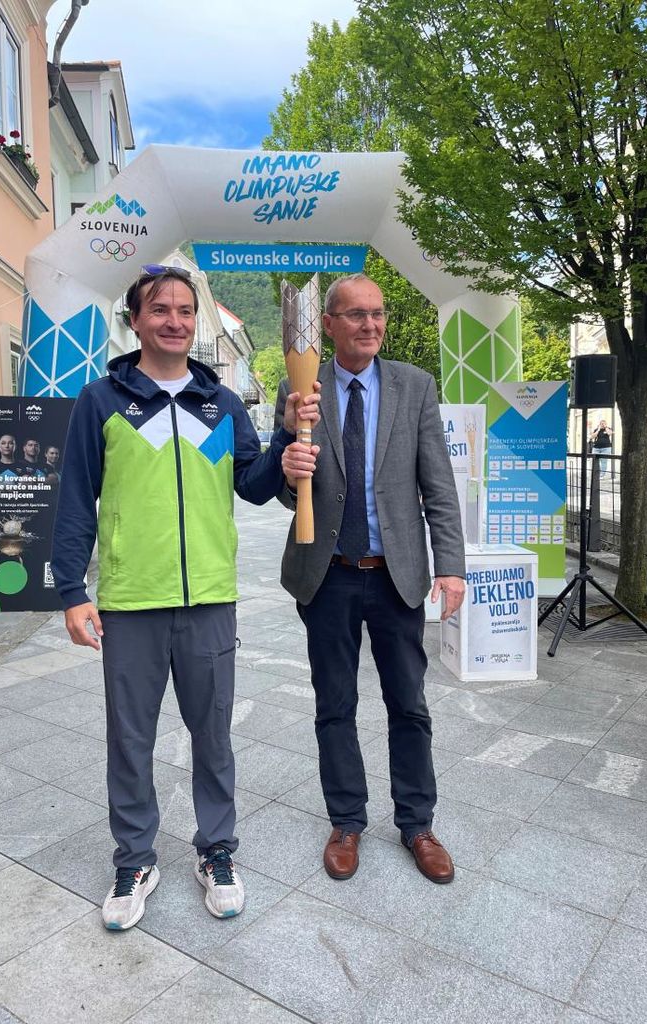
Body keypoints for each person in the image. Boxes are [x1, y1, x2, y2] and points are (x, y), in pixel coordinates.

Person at [50, 265, 319, 931]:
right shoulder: (102, 401)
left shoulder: (220, 404)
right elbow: (75, 497)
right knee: (130, 739)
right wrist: (72, 591)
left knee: (213, 735)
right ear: (136, 321)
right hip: (130, 600)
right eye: (160, 309)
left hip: (209, 598)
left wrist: (285, 443)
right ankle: (135, 859)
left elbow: (254, 485)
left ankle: (216, 850)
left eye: (184, 310)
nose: (174, 320)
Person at [276, 273, 465, 885]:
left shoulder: (415, 386)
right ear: (329, 324)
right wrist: (289, 466)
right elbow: (286, 491)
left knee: (408, 704)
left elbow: (438, 486)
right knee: (335, 704)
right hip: (326, 575)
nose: (371, 324)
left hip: (395, 577)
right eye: (356, 314)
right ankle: (346, 821)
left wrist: (451, 566)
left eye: (378, 313)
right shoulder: (301, 385)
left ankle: (417, 824)